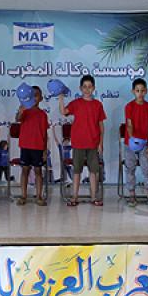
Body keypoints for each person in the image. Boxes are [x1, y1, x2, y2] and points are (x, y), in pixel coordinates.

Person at [59, 75, 106, 206]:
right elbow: (63, 111)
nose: (87, 89)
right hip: (78, 143)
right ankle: (74, 197)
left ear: (93, 88)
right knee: (77, 171)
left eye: (89, 87)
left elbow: (101, 126)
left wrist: (101, 143)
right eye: (84, 87)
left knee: (93, 171)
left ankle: (93, 197)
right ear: (80, 88)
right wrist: (61, 98)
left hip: (93, 143)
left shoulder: (98, 105)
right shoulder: (76, 103)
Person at [16, 86, 49, 206]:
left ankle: (39, 196)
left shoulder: (43, 114)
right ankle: (23, 195)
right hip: (25, 145)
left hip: (38, 147)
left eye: (36, 95)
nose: (34, 98)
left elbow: (45, 133)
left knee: (38, 171)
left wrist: (45, 150)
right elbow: (18, 119)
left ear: (41, 98)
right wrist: (20, 111)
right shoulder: (25, 111)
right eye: (32, 95)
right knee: (25, 170)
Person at [123, 78, 148, 206]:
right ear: (133, 91)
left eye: (142, 91)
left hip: (144, 144)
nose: (140, 93)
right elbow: (129, 124)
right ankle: (131, 195)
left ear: (146, 91)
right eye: (137, 91)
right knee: (130, 168)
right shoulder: (129, 106)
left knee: (147, 169)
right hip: (130, 144)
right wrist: (132, 139)